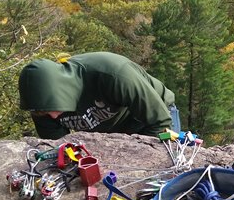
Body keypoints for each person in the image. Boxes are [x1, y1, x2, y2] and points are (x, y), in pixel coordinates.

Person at [18, 52, 180, 139]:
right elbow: (59, 146)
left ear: (62, 91)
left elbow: (161, 122)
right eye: (45, 112)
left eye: (53, 108)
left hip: (153, 117)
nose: (52, 116)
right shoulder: (42, 105)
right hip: (112, 131)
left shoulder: (113, 74)